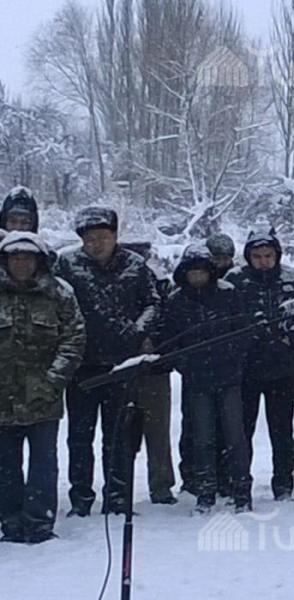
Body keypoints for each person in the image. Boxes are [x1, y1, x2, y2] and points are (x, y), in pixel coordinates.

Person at [56, 207, 162, 516]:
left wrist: (138, 331)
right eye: (90, 239)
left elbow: (153, 303)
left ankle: (117, 497)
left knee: (119, 436)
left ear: (115, 236)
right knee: (80, 437)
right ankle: (80, 498)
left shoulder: (135, 265)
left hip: (122, 365)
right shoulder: (68, 265)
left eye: (102, 237)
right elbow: (56, 305)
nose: (96, 244)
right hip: (82, 365)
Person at [0, 232, 85, 543]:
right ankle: (10, 523)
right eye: (15, 258)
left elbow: (74, 338)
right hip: (2, 398)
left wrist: (53, 380)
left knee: (43, 465)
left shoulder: (59, 293)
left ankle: (39, 523)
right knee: (5, 466)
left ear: (39, 261)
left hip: (44, 397)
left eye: (27, 257)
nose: (21, 263)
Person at [164, 244, 252, 514]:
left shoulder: (228, 294)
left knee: (235, 435)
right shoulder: (177, 300)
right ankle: (205, 492)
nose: (198, 276)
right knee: (202, 437)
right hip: (196, 380)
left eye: (202, 271)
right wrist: (186, 366)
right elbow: (172, 340)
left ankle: (241, 491)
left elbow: (243, 332)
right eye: (192, 272)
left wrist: (233, 360)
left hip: (229, 377)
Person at [226, 226, 294, 501]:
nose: (263, 261)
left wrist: (290, 340)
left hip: (282, 368)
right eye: (257, 256)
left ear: (277, 255)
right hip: (245, 369)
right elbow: (227, 322)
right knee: (241, 431)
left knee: (282, 430)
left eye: (268, 255)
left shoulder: (293, 279)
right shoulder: (235, 281)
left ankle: (283, 484)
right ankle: (239, 485)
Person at [123, 241, 177, 505]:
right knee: (123, 434)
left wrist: (155, 343)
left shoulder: (162, 287)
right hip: (122, 369)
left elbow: (172, 323)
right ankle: (121, 488)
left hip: (155, 368)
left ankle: (161, 486)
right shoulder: (118, 286)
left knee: (158, 433)